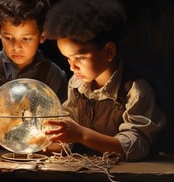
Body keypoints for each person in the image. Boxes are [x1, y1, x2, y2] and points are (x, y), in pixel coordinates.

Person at [43, 0, 167, 161]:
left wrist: (82, 135)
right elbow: (71, 126)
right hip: (88, 168)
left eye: (79, 58)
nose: (73, 67)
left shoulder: (135, 89)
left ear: (108, 52)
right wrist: (53, 142)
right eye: (68, 59)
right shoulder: (77, 83)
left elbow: (137, 146)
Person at [0, 0, 68, 147]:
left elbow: (60, 123)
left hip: (37, 153)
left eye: (26, 39)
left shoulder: (53, 75)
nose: (16, 47)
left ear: (42, 35)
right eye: (8, 38)